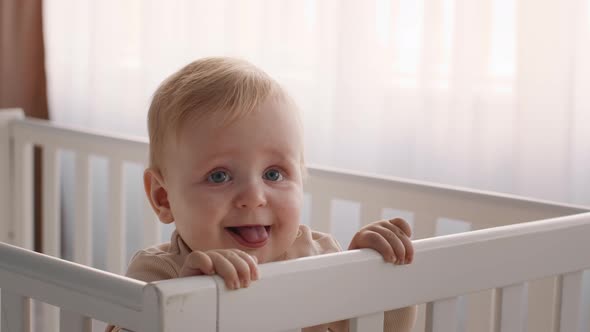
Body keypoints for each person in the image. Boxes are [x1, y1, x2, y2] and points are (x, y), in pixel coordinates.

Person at [107, 57, 417, 332]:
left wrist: (379, 278)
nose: (254, 196)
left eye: (273, 174)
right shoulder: (158, 274)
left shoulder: (320, 256)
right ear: (163, 198)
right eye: (219, 176)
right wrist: (186, 303)